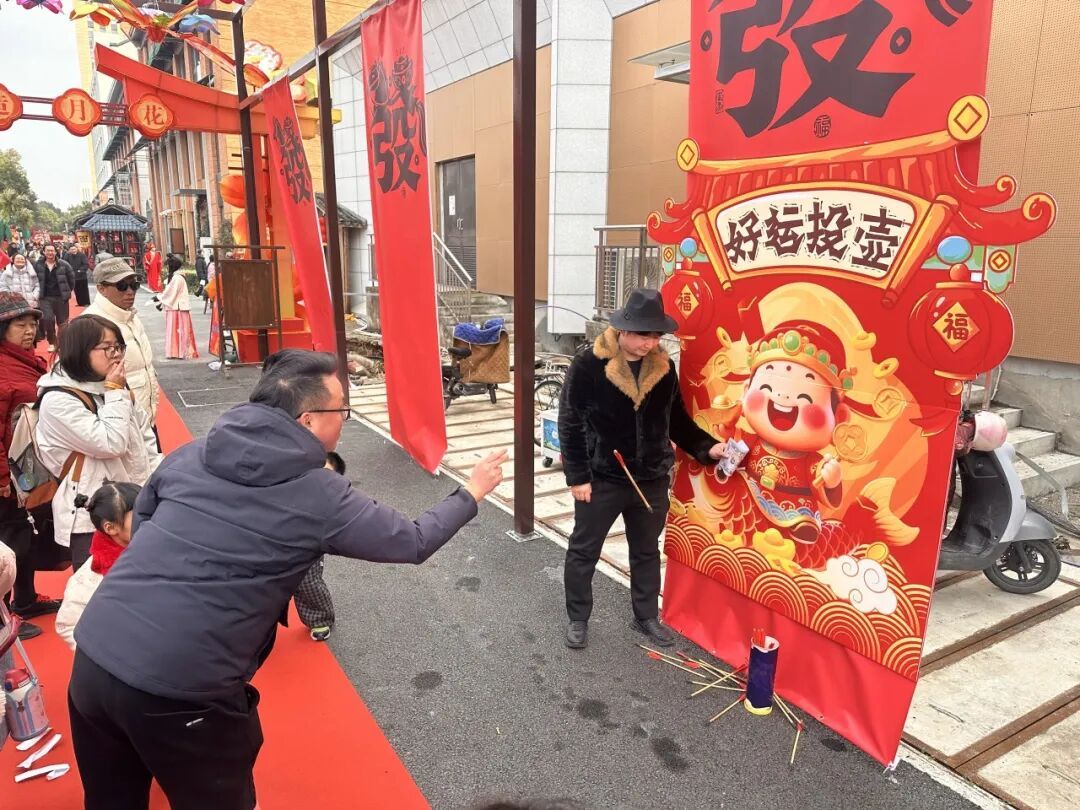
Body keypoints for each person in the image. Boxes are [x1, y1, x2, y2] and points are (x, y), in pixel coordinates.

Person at [67, 349, 507, 810]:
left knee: (110, 800)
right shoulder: (319, 492)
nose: (345, 421)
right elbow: (412, 541)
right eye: (342, 410)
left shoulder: (193, 453)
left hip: (95, 651)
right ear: (309, 419)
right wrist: (472, 490)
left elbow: (144, 520)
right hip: (183, 685)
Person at [558, 288, 724, 650]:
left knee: (647, 550)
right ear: (623, 329)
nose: (649, 343)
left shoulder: (664, 368)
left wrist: (708, 447)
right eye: (643, 335)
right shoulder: (588, 364)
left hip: (650, 478)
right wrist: (578, 477)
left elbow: (676, 421)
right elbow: (570, 422)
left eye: (656, 336)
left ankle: (646, 616)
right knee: (584, 550)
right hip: (602, 477)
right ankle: (578, 618)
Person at [35, 314, 161, 572]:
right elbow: (110, 443)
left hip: (134, 507)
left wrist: (155, 487)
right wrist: (115, 392)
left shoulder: (111, 387)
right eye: (107, 348)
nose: (117, 355)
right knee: (98, 587)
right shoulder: (58, 400)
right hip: (92, 517)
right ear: (81, 351)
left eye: (119, 347)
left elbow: (145, 438)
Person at [0, 292, 61, 638]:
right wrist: (2, 478)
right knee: (8, 540)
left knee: (26, 533)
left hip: (26, 467)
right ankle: (3, 617)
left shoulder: (26, 360)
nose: (28, 330)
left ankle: (24, 599)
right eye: (19, 324)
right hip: (8, 472)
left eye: (31, 324)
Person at [55, 481, 140, 651]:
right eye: (139, 516)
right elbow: (68, 625)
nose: (150, 519)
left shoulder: (159, 548)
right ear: (110, 527)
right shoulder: (90, 578)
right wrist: (112, 655)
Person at [81, 256, 160, 424]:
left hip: (145, 415)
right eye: (122, 286)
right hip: (118, 421)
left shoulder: (130, 315)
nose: (130, 291)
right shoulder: (90, 324)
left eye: (134, 285)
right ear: (101, 288)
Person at [293, 451, 345, 641]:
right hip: (271, 528)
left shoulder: (329, 498)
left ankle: (318, 617)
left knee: (307, 579)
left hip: (307, 538)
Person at [34, 244, 76, 351]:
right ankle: (52, 342)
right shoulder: (38, 265)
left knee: (63, 322)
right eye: (48, 250)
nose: (50, 253)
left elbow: (71, 279)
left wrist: (67, 291)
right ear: (44, 252)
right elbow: (33, 279)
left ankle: (61, 343)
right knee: (47, 319)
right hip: (45, 297)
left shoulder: (64, 264)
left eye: (52, 250)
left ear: (56, 252)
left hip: (61, 297)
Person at [157, 254, 199, 359]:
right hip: (178, 307)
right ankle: (179, 352)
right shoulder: (177, 277)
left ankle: (178, 352)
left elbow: (170, 293)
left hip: (177, 308)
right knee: (180, 332)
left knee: (176, 332)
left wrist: (159, 298)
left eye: (169, 265)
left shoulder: (177, 278)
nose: (168, 267)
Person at [65, 242, 91, 307]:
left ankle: (86, 302)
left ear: (76, 249)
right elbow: (65, 264)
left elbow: (85, 264)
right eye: (71, 249)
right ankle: (80, 303)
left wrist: (80, 270)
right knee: (76, 290)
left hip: (82, 276)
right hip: (73, 276)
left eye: (74, 249)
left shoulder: (82, 255)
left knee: (84, 290)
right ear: (69, 250)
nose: (73, 251)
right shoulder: (68, 256)